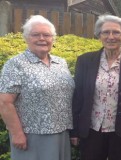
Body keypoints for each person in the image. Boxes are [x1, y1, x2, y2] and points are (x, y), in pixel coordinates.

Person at [70, 14, 121, 160]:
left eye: (116, 32)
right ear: (99, 36)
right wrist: (74, 131)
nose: (110, 37)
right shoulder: (85, 61)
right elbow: (77, 98)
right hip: (92, 130)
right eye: (105, 32)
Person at [0, 15, 74, 160]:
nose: (42, 38)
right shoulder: (16, 64)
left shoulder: (61, 63)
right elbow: (4, 102)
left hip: (61, 132)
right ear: (27, 38)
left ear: (53, 39)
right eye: (36, 35)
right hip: (31, 135)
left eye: (46, 35)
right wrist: (17, 133)